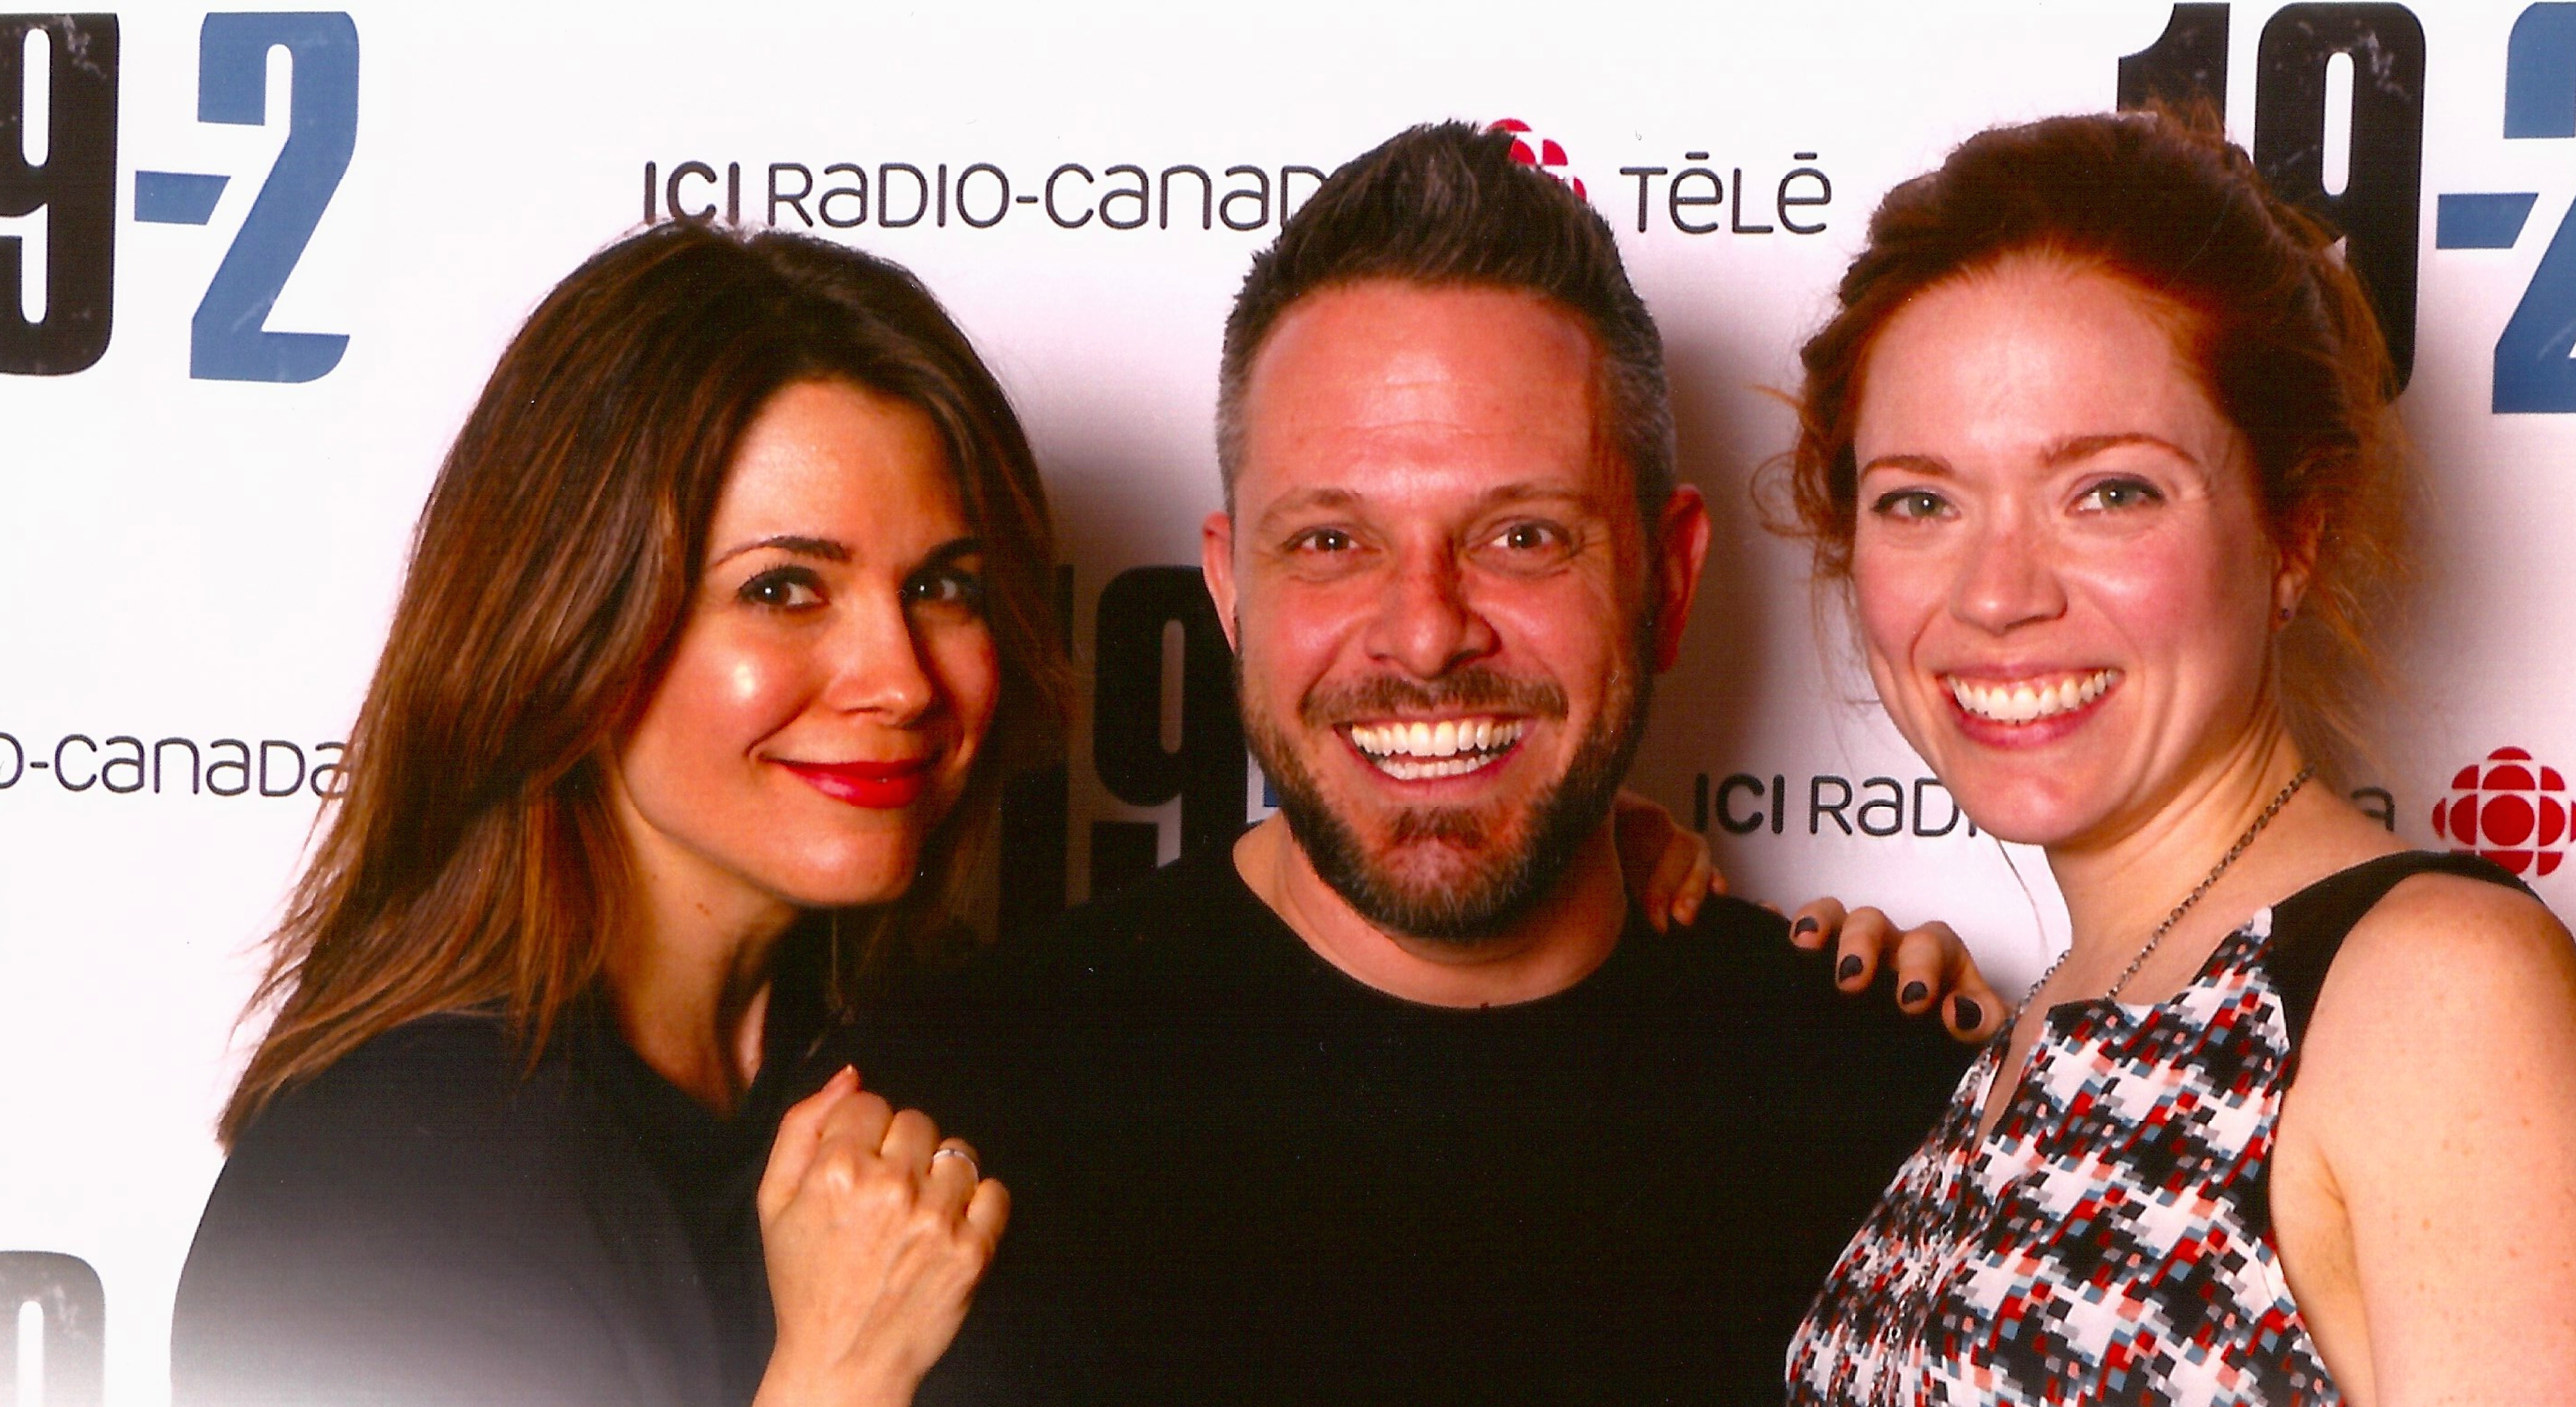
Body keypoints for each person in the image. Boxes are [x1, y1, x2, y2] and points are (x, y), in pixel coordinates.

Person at [851, 120, 1997, 1407]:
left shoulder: (1908, 1112)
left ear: (1665, 582)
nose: (1423, 630)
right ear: (1231, 594)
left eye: (1520, 534)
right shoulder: (932, 1128)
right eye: (1333, 541)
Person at [1775, 112, 2576, 1405]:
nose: (1996, 591)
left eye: (2109, 492)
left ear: (2291, 532)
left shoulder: (2430, 991)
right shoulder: (2031, 1033)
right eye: (1919, 499)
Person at [171, 221, 1047, 1407]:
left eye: (942, 585)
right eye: (783, 588)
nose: (899, 677)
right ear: (571, 625)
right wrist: (841, 1371)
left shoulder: (880, 1084)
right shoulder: (385, 1181)